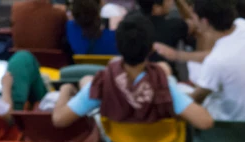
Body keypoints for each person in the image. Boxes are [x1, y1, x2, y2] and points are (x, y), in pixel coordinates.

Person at [52, 12, 213, 129]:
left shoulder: (102, 82)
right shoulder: (163, 84)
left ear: (117, 47)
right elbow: (205, 122)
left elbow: (59, 119)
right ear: (151, 49)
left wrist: (65, 90)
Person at [154, 0, 245, 121]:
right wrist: (177, 55)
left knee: (177, 92)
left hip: (231, 126)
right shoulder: (244, 27)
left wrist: (167, 84)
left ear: (204, 21)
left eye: (194, 17)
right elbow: (216, 54)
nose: (192, 21)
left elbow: (194, 100)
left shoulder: (216, 62)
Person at [138, 0, 195, 69]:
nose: (171, 1)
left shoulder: (132, 22)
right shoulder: (173, 26)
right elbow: (196, 23)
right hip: (166, 76)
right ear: (156, 8)